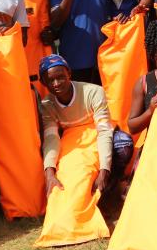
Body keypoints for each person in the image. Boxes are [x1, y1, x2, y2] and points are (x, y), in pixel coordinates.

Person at [38, 54, 132, 197]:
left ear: (69, 73)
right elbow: (51, 138)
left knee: (122, 144)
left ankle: (111, 183)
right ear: (43, 82)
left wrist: (104, 170)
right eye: (50, 80)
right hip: (75, 146)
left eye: (61, 77)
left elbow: (104, 131)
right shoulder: (47, 105)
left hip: (99, 137)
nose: (56, 83)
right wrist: (49, 173)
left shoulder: (94, 92)